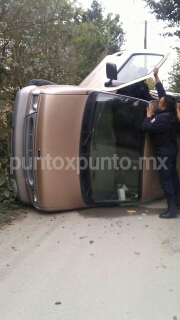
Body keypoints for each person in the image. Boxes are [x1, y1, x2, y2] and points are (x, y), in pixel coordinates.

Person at [142, 68, 180, 219]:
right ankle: (177, 203)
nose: (159, 100)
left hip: (165, 152)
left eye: (160, 102)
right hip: (171, 150)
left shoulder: (162, 119)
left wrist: (148, 116)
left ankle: (171, 209)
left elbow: (145, 127)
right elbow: (162, 93)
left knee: (165, 178)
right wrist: (156, 77)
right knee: (173, 176)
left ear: (163, 107)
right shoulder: (171, 113)